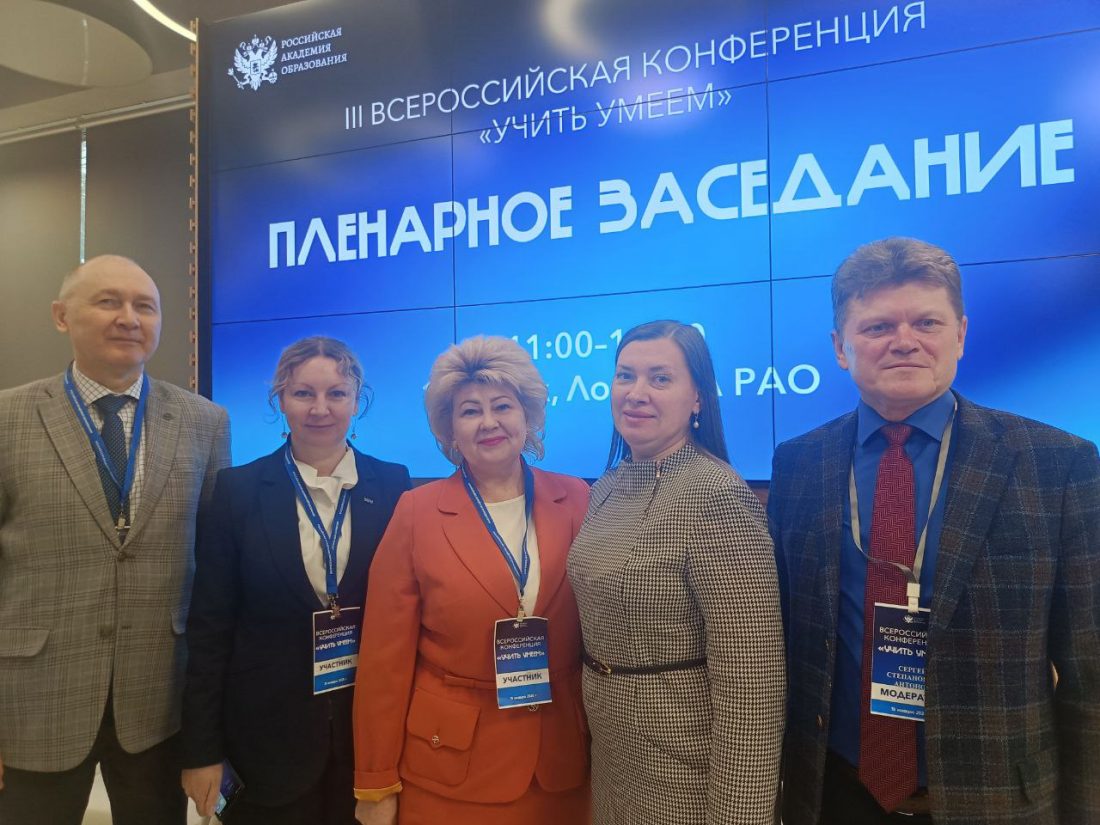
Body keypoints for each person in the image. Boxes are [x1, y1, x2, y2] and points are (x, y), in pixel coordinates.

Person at [769, 237, 1100, 825]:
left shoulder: (1057, 463)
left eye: (926, 322)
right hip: (833, 793)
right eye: (877, 326)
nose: (904, 340)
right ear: (840, 348)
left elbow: (1089, 673)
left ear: (961, 335)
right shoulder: (799, 464)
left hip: (999, 800)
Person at [0, 255, 230, 825]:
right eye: (108, 302)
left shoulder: (204, 422)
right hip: (33, 704)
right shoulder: (8, 419)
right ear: (62, 316)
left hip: (159, 705)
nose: (129, 318)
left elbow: (215, 574)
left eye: (144, 306)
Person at [352, 335, 590, 825]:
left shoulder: (578, 499)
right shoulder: (416, 512)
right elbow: (383, 661)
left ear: (527, 415)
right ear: (449, 430)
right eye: (470, 411)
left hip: (563, 764)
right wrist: (375, 783)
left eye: (502, 406)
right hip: (449, 770)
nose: (489, 422)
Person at [180, 336, 410, 824]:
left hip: (366, 746)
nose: (320, 409)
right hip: (265, 746)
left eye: (336, 393)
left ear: (357, 399)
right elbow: (209, 629)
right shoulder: (239, 491)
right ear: (280, 399)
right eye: (304, 393)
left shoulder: (394, 486)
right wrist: (201, 751)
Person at [568, 319, 785, 824]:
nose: (636, 393)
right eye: (625, 376)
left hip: (685, 768)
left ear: (697, 399)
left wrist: (740, 815)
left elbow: (752, 680)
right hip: (613, 757)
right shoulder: (607, 486)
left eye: (660, 378)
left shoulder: (717, 496)